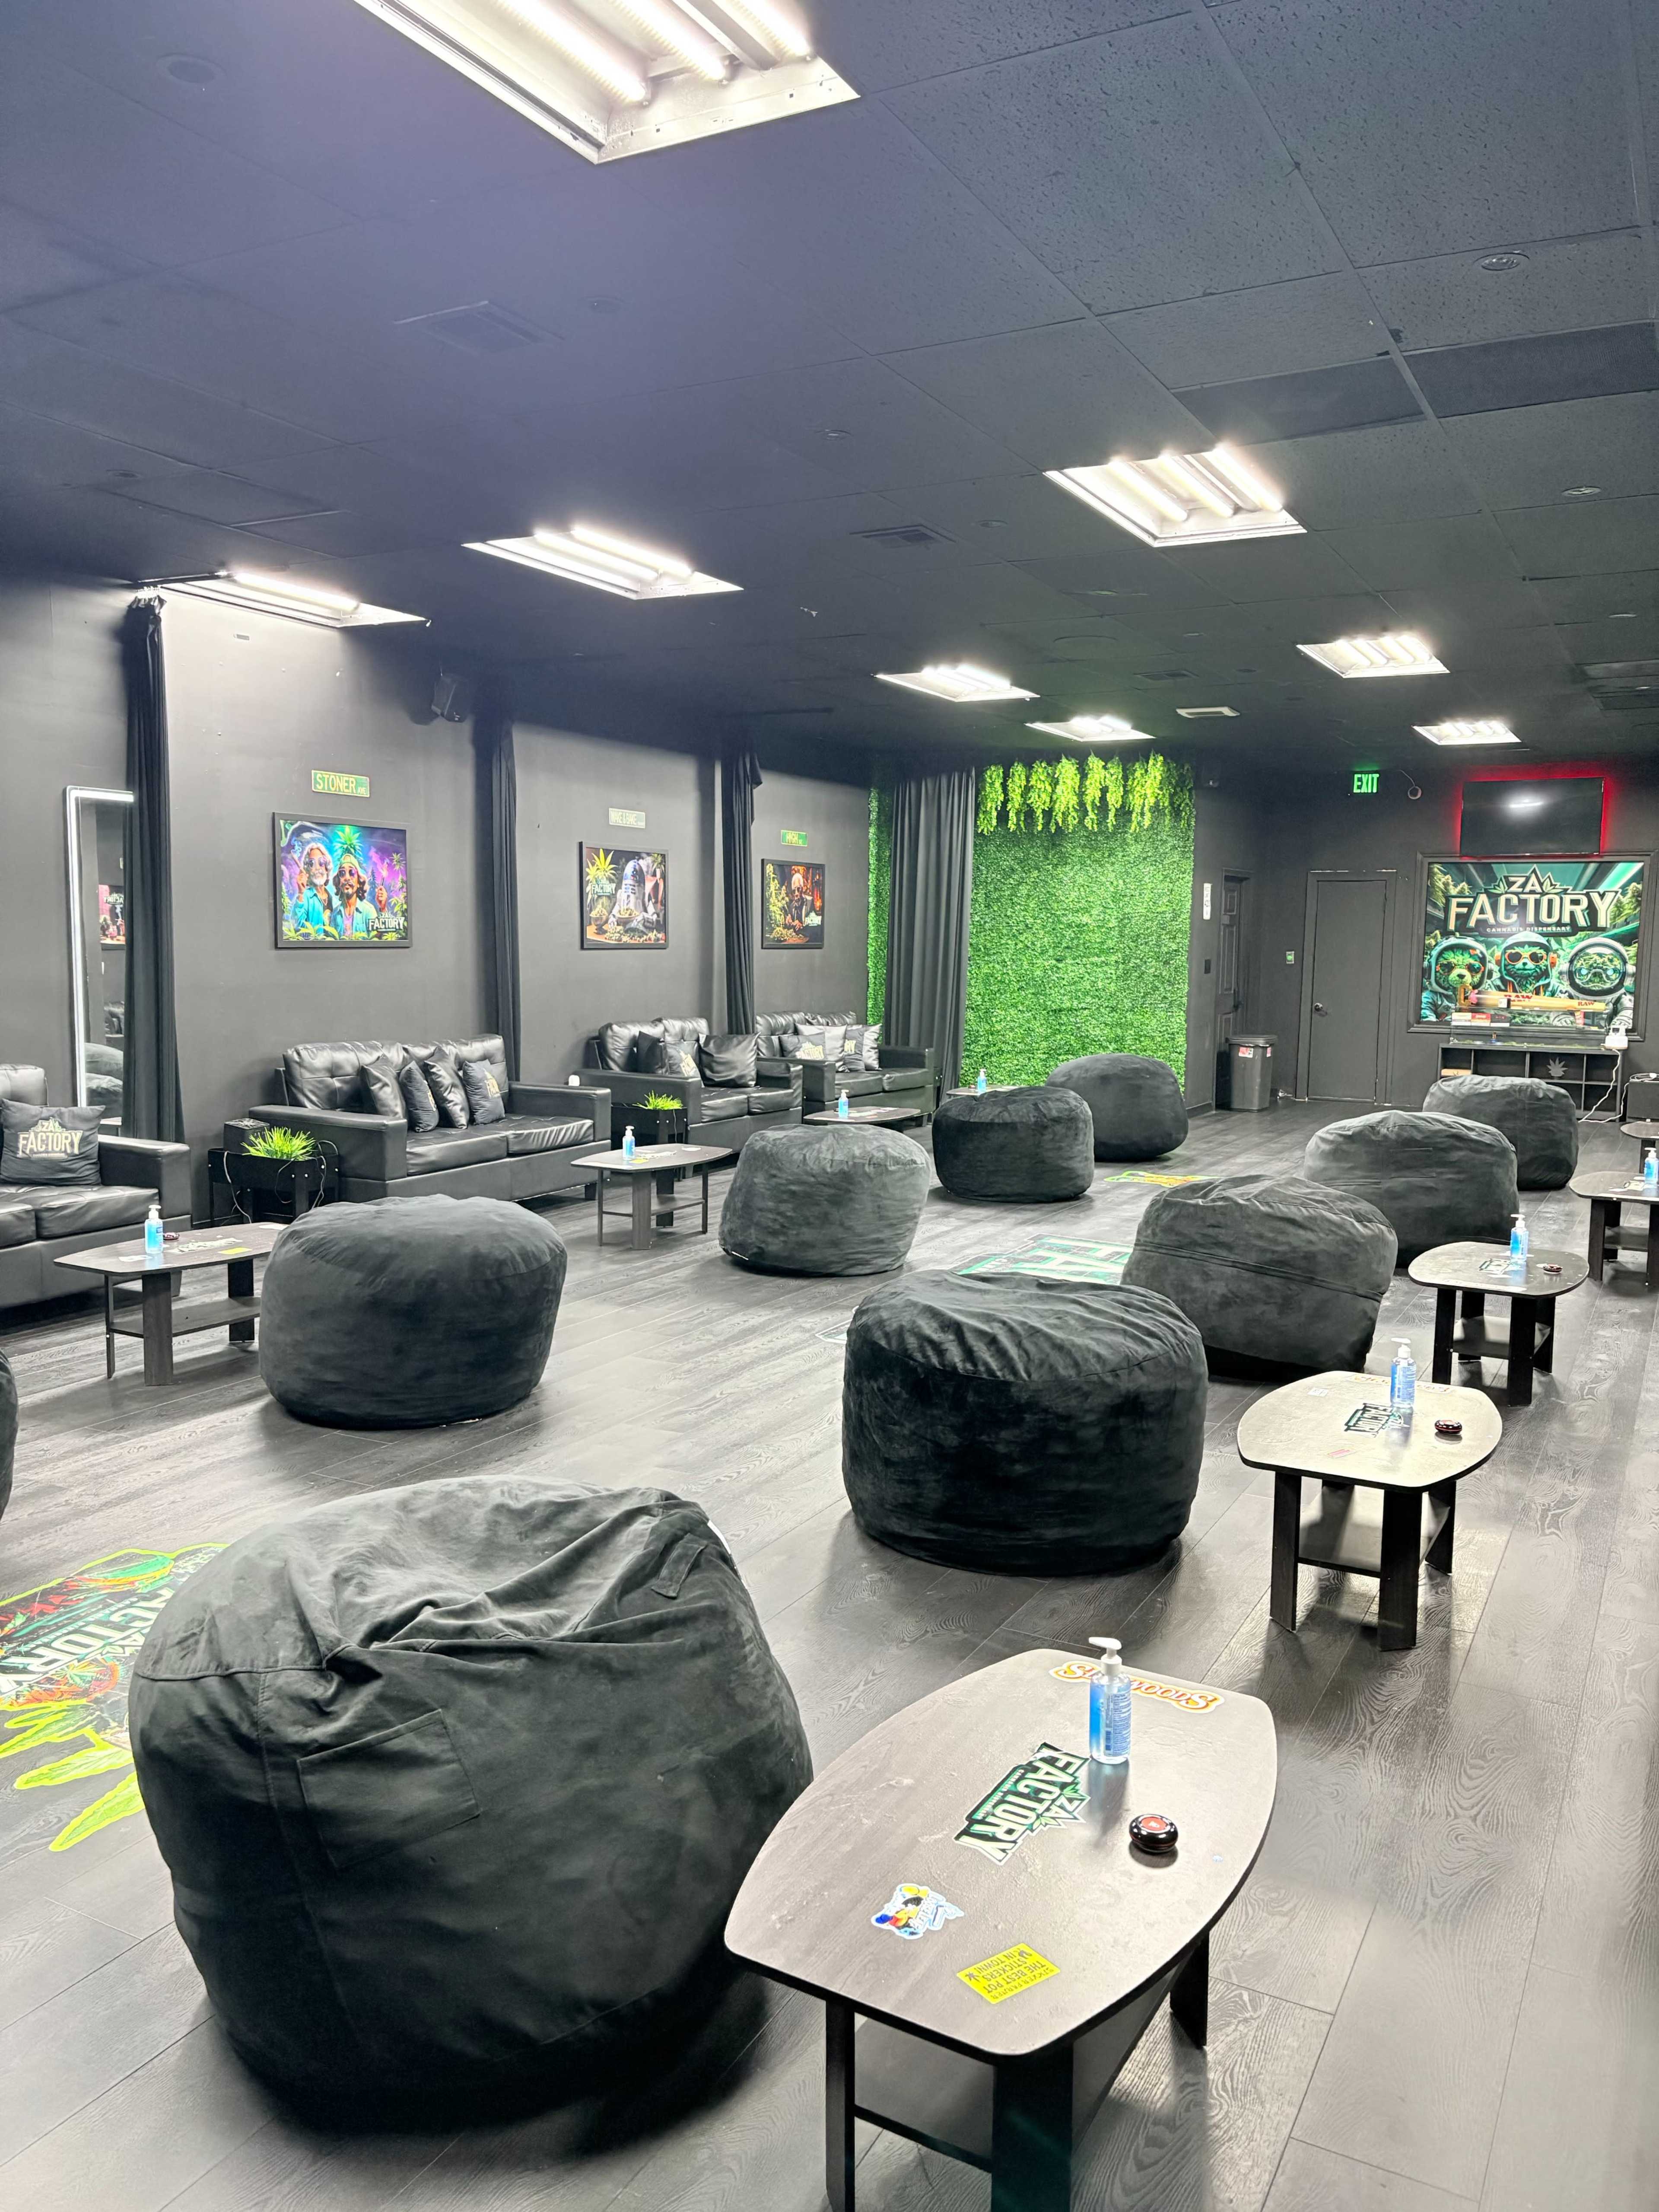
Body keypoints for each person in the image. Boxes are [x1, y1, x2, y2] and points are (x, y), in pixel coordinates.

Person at [291, 843, 334, 939]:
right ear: (308, 871)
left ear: (327, 869)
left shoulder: (334, 899)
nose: (317, 868)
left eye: (321, 863)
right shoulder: (305, 896)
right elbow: (296, 926)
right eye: (312, 864)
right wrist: (301, 893)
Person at [332, 855, 375, 939]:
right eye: (342, 873)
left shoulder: (369, 911)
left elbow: (377, 941)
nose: (347, 878)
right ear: (339, 882)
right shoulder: (335, 913)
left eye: (352, 873)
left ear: (359, 882)